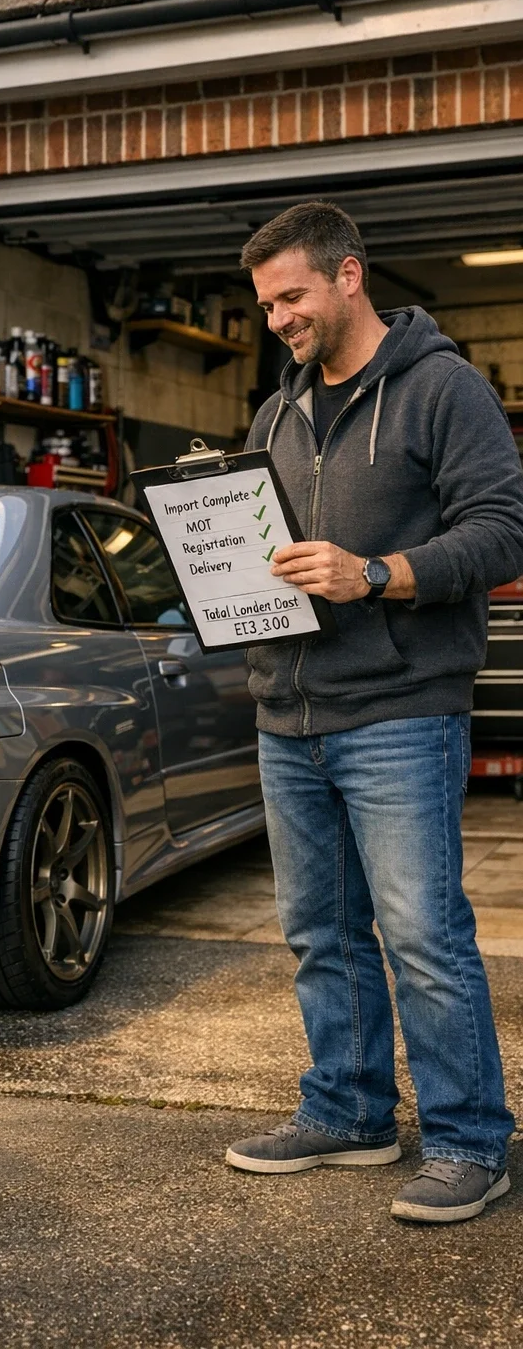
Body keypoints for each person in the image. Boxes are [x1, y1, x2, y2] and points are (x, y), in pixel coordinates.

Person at [225, 201, 523, 1224]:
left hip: (401, 709)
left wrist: (380, 573)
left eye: (292, 297)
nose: (278, 320)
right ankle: (348, 1112)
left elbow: (502, 531)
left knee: (421, 935)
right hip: (288, 712)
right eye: (267, 305)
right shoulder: (273, 415)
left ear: (348, 276)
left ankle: (469, 1141)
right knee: (321, 933)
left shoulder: (440, 388)